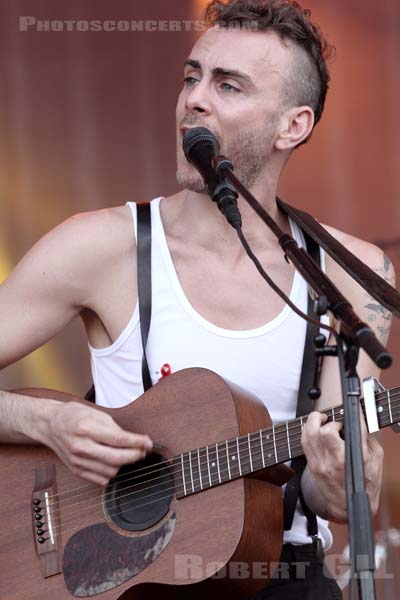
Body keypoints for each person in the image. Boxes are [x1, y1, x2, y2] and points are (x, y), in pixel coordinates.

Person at [0, 0, 396, 598]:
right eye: (193, 76)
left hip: (279, 575)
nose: (195, 99)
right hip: (126, 583)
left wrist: (342, 483)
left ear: (294, 125)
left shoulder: (356, 276)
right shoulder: (101, 246)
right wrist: (45, 419)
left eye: (228, 85)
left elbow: (330, 496)